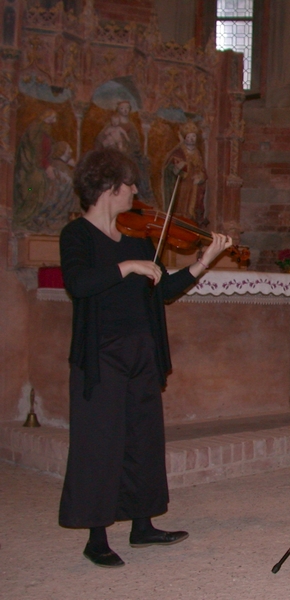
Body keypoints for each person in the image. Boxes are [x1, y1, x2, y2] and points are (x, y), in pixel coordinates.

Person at [58, 148, 232, 568]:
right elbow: (79, 283)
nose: (135, 191)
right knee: (100, 443)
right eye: (129, 185)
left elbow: (165, 290)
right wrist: (128, 267)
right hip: (101, 355)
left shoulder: (138, 238)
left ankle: (142, 525)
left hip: (142, 352)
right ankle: (96, 536)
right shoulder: (76, 236)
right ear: (107, 188)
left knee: (143, 439)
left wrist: (203, 261)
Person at [162, 121, 207, 223]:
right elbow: (169, 168)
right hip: (182, 184)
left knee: (192, 207)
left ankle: (190, 218)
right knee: (181, 204)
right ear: (184, 138)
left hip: (194, 185)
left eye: (194, 137)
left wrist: (201, 176)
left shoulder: (197, 152)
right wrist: (177, 168)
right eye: (189, 137)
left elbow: (201, 169)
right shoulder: (178, 152)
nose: (191, 139)